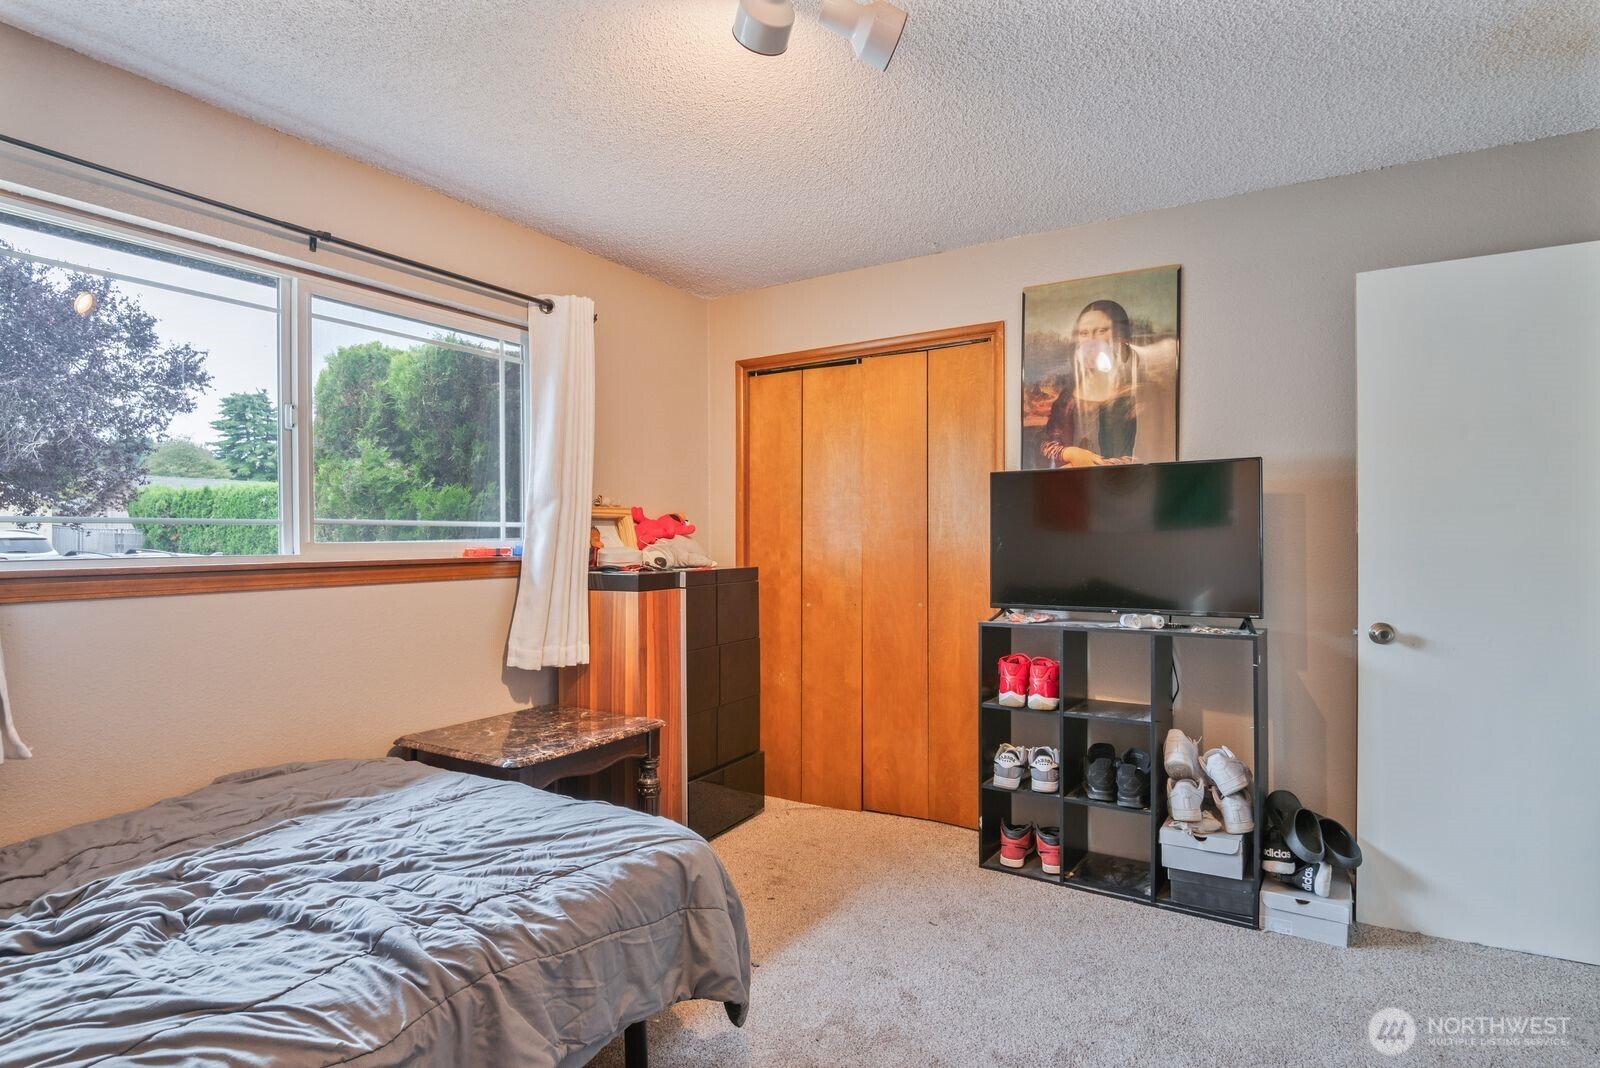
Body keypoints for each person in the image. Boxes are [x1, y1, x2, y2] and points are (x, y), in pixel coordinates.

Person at [1039, 299, 1176, 467]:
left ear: (1120, 336)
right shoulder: (1068, 395)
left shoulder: (1141, 393)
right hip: (1071, 488)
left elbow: (1150, 454)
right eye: (1084, 333)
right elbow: (1048, 444)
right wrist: (1071, 454)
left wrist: (1091, 466)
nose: (1091, 341)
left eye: (1101, 331)